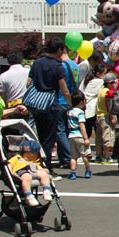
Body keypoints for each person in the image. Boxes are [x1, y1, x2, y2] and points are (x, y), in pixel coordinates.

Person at [26, 37, 72, 178]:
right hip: (51, 105)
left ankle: (40, 164)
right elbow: (64, 90)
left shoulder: (37, 63)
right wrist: (71, 104)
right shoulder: (58, 66)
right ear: (59, 50)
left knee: (40, 135)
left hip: (37, 105)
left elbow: (28, 83)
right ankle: (46, 168)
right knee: (49, 139)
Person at [8, 138, 52, 207]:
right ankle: (28, 196)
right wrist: (10, 171)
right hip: (21, 172)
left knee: (44, 174)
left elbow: (39, 167)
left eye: (33, 156)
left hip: (34, 171)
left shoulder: (35, 161)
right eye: (27, 155)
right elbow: (9, 164)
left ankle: (46, 191)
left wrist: (44, 170)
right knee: (27, 177)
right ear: (23, 153)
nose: (30, 157)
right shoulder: (18, 158)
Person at [67, 91, 92, 179]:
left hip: (71, 135)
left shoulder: (70, 112)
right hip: (79, 135)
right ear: (81, 102)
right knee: (84, 155)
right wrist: (86, 138)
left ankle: (73, 172)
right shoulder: (80, 112)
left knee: (73, 156)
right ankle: (88, 170)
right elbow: (82, 125)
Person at [82, 63, 105, 148]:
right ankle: (98, 151)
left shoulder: (88, 80)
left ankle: (83, 150)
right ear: (98, 74)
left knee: (87, 130)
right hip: (94, 109)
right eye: (104, 73)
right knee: (98, 131)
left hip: (87, 107)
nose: (105, 75)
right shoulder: (99, 81)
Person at [95, 72, 117, 164]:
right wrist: (112, 117)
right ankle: (107, 157)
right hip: (106, 116)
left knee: (99, 138)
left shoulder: (100, 91)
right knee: (108, 137)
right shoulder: (108, 93)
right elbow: (109, 106)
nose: (114, 84)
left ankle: (98, 156)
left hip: (98, 116)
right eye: (112, 83)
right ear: (108, 83)